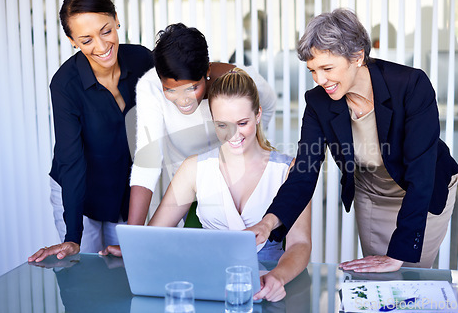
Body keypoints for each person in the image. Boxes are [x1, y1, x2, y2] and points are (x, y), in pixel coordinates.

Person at [248, 8, 458, 272]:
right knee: (376, 275)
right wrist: (268, 222)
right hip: (372, 192)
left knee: (408, 272)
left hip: (424, 189)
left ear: (357, 57)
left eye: (327, 68)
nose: (320, 80)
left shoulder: (411, 85)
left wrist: (399, 254)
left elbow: (421, 171)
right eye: (312, 70)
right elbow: (304, 172)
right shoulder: (318, 102)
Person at [102, 68, 311, 302]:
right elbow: (155, 235)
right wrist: (133, 250)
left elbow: (300, 244)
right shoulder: (194, 168)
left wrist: (277, 278)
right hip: (207, 290)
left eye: (242, 123)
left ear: (258, 114)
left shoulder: (289, 171)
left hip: (268, 288)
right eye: (222, 125)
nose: (233, 134)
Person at [28, 0, 154, 263]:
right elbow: (71, 160)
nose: (101, 46)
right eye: (86, 40)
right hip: (79, 194)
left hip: (125, 189)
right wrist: (73, 236)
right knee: (85, 275)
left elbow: (181, 78)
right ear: (73, 41)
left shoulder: (143, 60)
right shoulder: (65, 85)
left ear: (116, 19)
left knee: (128, 272)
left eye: (106, 31)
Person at [128, 23, 276, 226]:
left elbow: (265, 108)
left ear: (207, 70)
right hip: (186, 190)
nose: (183, 100)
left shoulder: (241, 83)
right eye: (171, 90)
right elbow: (147, 159)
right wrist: (132, 236)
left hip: (236, 184)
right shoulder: (150, 87)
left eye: (193, 88)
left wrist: (242, 141)